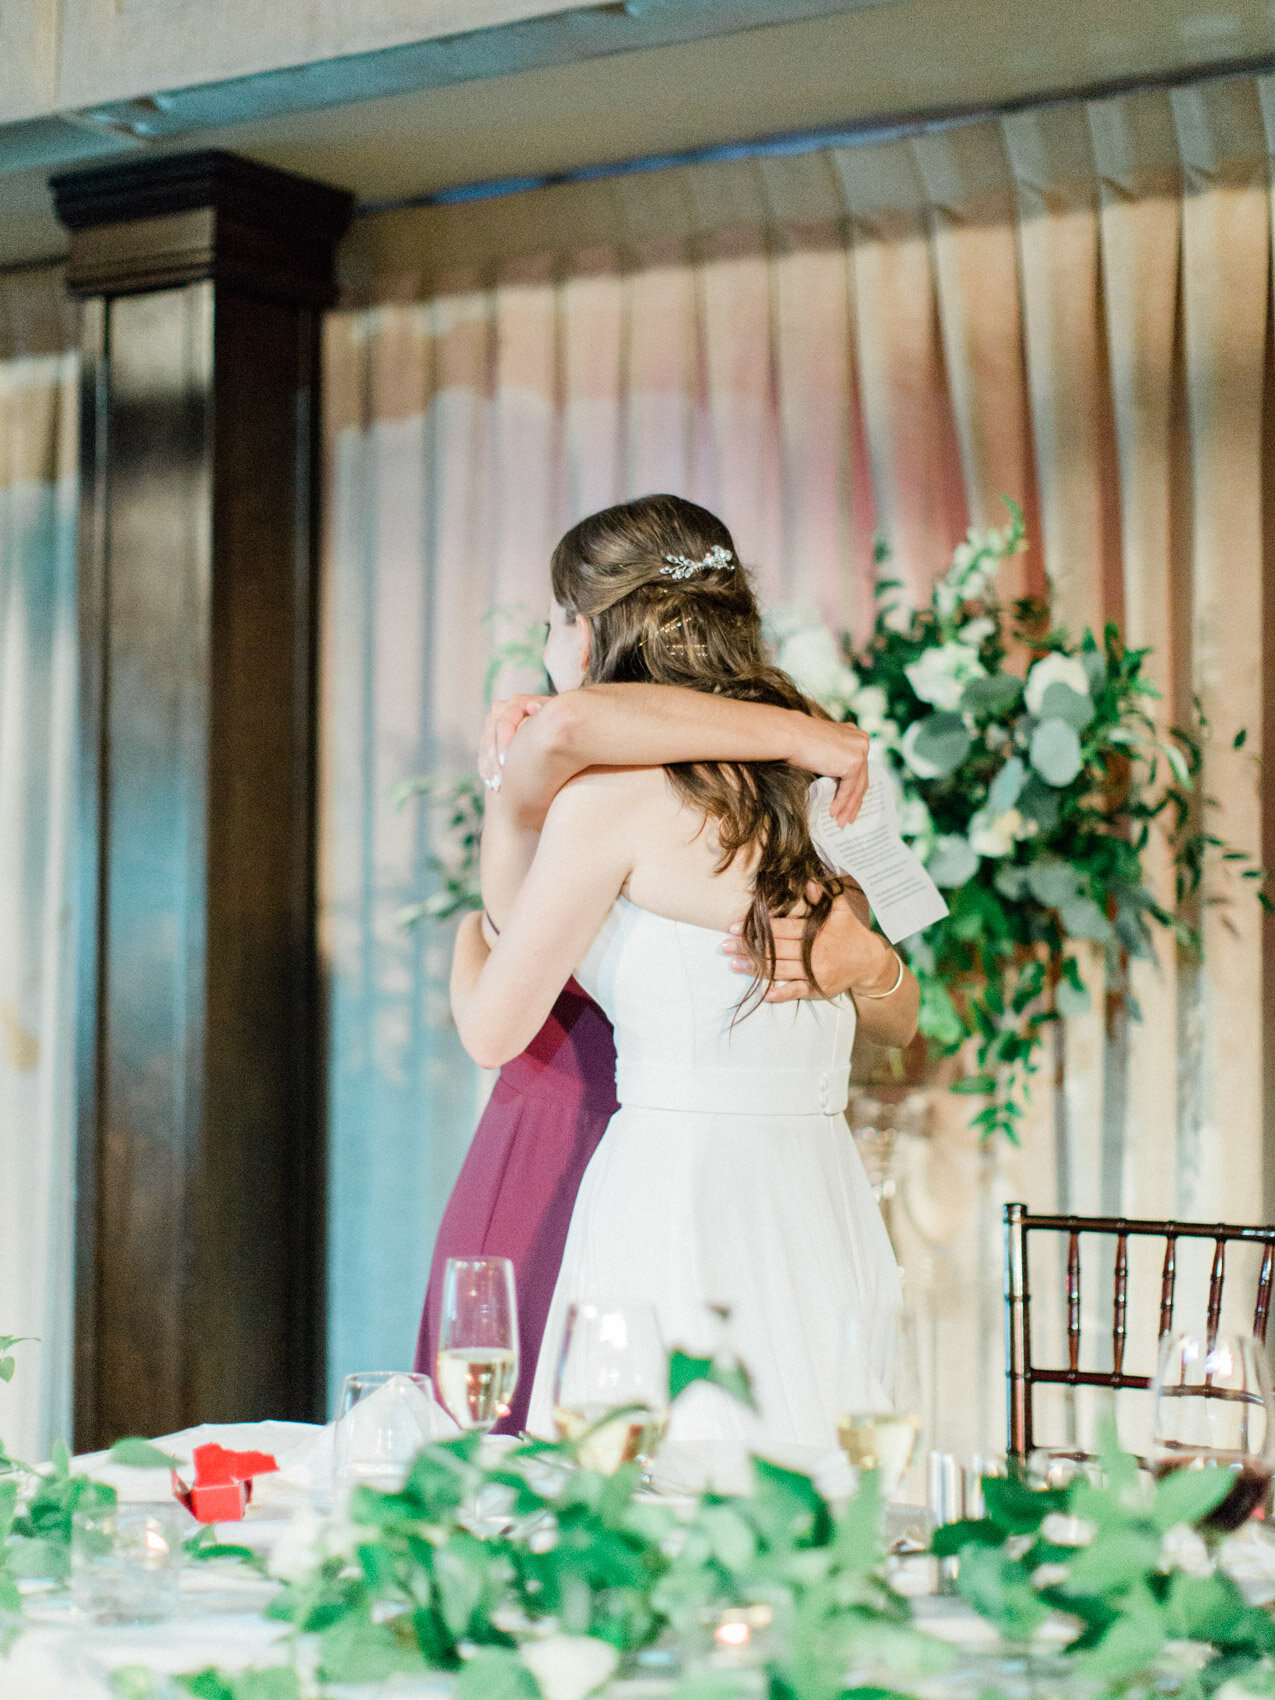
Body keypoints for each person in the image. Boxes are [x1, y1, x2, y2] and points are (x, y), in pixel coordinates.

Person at [449, 494, 918, 1457]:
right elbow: (903, 1019)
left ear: (584, 637)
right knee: (821, 1500)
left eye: (552, 622)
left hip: (677, 1200)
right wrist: (870, 959)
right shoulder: (831, 782)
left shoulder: (609, 801)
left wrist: (467, 935)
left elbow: (493, 1032)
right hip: (820, 1196)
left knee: (663, 1514)